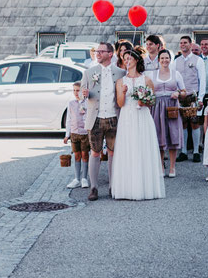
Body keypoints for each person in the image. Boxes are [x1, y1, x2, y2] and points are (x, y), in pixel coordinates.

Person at [111, 49, 165, 200]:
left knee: (142, 148)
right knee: (128, 149)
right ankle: (127, 189)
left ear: (136, 60)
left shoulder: (146, 79)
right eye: (125, 59)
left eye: (129, 58)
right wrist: (123, 92)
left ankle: (145, 188)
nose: (127, 61)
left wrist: (144, 101)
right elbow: (120, 104)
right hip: (127, 117)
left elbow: (152, 101)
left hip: (142, 116)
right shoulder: (121, 82)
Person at [80, 42, 125, 201]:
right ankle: (94, 188)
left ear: (110, 54)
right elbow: (81, 95)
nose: (97, 53)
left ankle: (113, 186)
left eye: (101, 51)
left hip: (114, 117)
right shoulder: (89, 72)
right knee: (95, 152)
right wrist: (84, 94)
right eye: (96, 51)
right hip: (96, 118)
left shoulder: (121, 73)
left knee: (113, 153)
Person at [151, 49, 186, 177]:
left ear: (170, 60)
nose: (165, 60)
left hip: (172, 107)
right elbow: (148, 91)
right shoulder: (152, 75)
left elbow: (184, 91)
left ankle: (172, 167)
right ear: (159, 60)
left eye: (167, 58)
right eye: (162, 58)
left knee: (173, 135)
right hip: (157, 107)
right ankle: (160, 166)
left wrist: (178, 93)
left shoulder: (176, 74)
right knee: (159, 135)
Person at [174, 36, 206, 163]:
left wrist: (201, 97)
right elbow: (174, 79)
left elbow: (202, 80)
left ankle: (196, 151)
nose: (183, 45)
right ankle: (183, 151)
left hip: (194, 95)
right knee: (183, 123)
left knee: (195, 123)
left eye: (185, 43)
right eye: (181, 43)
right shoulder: (175, 61)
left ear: (190, 44)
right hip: (181, 96)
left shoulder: (198, 60)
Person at [63, 82, 90, 190]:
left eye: (78, 90)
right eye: (74, 90)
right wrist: (67, 135)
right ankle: (77, 178)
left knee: (85, 155)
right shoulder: (71, 103)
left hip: (84, 133)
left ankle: (84, 178)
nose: (75, 93)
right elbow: (69, 120)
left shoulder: (87, 103)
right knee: (77, 155)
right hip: (74, 134)